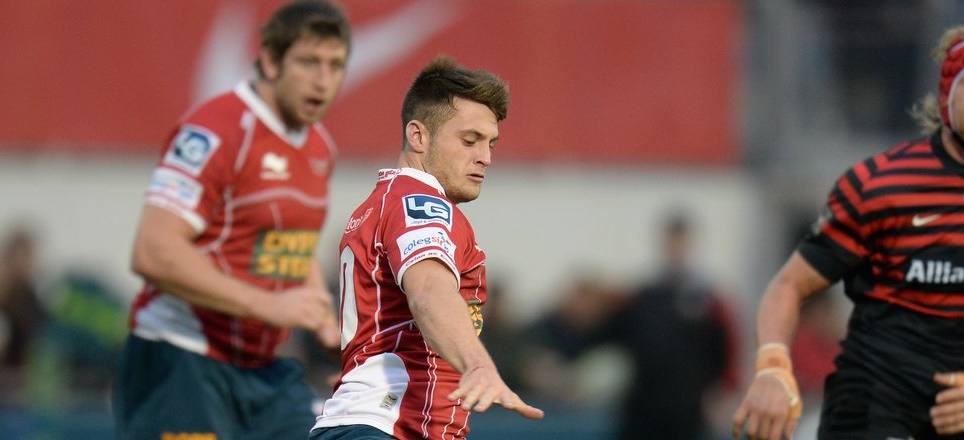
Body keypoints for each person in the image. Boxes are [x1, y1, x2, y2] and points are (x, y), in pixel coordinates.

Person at [112, 1, 351, 438]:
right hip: (181, 360)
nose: (323, 80)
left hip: (262, 370)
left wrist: (326, 326)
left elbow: (289, 246)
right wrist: (267, 305)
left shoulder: (320, 146)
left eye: (335, 65)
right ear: (271, 62)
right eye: (308, 62)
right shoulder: (216, 131)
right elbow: (153, 250)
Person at [732, 25, 964, 440]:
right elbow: (788, 286)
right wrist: (772, 367)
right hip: (876, 407)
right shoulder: (882, 185)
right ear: (949, 94)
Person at [309, 55, 543, 440]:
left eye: (490, 143)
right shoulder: (419, 203)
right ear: (418, 136)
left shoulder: (383, 203)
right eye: (469, 140)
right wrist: (478, 364)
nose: (484, 157)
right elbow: (429, 291)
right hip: (392, 425)